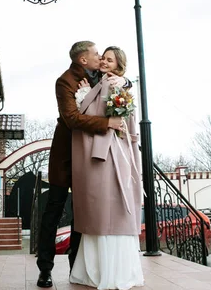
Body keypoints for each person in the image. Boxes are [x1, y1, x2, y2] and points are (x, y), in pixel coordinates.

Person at [37, 41, 126, 288]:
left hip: (90, 156)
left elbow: (122, 80)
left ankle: (79, 267)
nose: (101, 57)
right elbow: (72, 118)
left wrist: (124, 82)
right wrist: (107, 123)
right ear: (83, 60)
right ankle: (45, 269)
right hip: (65, 155)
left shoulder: (101, 75)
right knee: (53, 211)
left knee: (85, 211)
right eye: (96, 54)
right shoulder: (64, 81)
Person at [69, 46, 144, 290]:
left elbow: (101, 116)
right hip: (104, 151)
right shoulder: (104, 83)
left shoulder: (114, 85)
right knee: (99, 210)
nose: (103, 61)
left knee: (105, 209)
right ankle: (99, 270)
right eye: (102, 57)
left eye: (109, 59)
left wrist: (82, 96)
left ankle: (106, 272)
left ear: (118, 65)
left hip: (109, 153)